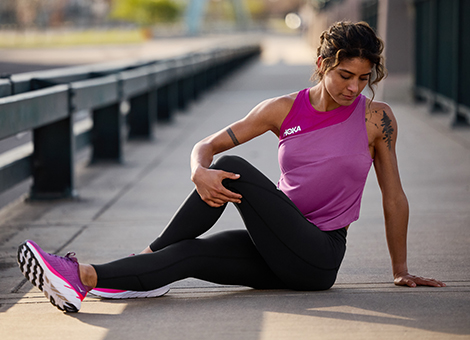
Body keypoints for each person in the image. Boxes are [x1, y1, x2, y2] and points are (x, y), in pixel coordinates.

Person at [16, 21, 445, 313]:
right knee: (185, 254)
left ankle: (147, 254)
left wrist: (400, 269)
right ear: (322, 65)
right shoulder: (282, 109)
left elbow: (394, 195)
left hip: (318, 256)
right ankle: (82, 279)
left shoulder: (377, 119)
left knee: (234, 165)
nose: (354, 87)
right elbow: (207, 145)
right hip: (275, 242)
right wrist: (196, 170)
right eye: (345, 75)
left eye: (363, 78)